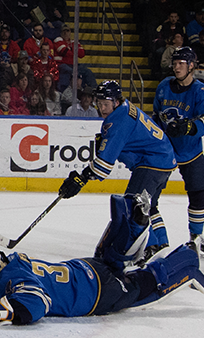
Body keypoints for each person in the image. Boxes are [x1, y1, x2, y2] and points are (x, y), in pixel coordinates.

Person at [0, 193, 204, 327]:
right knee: (112, 255)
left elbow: (36, 304)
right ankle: (132, 223)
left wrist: (1, 311)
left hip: (99, 292)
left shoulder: (16, 280)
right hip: (89, 267)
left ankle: (188, 260)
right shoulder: (18, 262)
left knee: (148, 282)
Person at [58, 80, 176, 260]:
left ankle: (152, 248)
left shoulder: (119, 120)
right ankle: (162, 243)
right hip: (163, 159)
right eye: (99, 103)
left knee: (133, 205)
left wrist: (81, 179)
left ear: (116, 101)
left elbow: (103, 167)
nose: (102, 108)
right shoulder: (125, 108)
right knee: (149, 206)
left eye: (106, 104)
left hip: (152, 162)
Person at [153, 47, 204, 258]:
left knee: (199, 193)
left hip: (191, 151)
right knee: (150, 195)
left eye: (181, 63)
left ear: (191, 66)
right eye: (175, 62)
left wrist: (188, 127)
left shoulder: (201, 92)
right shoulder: (163, 87)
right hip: (165, 151)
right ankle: (155, 238)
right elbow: (156, 115)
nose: (176, 66)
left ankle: (196, 237)